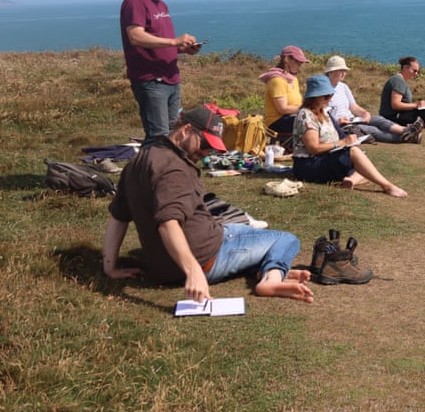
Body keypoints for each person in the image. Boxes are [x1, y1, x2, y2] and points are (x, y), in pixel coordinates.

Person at [101, 105, 314, 304]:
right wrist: (193, 272)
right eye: (204, 144)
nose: (205, 153)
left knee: (240, 231)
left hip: (164, 269)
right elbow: (168, 223)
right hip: (207, 258)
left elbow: (119, 216)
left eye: (210, 149)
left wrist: (110, 268)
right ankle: (271, 278)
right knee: (286, 239)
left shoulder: (139, 161)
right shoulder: (174, 170)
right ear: (185, 131)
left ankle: (265, 268)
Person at [119, 0, 202, 141]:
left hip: (171, 77)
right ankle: (149, 168)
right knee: (158, 135)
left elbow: (158, 42)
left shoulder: (161, 5)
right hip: (151, 79)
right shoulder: (135, 1)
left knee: (172, 132)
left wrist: (182, 49)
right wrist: (174, 42)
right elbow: (136, 37)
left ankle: (163, 167)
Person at [291, 74, 408, 196]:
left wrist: (349, 141)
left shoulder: (324, 112)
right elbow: (313, 148)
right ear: (315, 97)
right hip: (308, 164)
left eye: (330, 96)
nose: (330, 100)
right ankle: (387, 186)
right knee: (358, 158)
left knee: (365, 166)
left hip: (325, 158)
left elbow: (340, 135)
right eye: (326, 97)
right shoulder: (306, 115)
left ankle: (350, 181)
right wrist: (342, 143)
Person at [324, 55, 423, 144]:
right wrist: (337, 121)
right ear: (331, 71)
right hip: (341, 126)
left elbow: (353, 107)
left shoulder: (343, 86)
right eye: (341, 70)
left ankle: (406, 130)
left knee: (379, 120)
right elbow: (320, 115)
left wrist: (364, 113)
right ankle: (407, 137)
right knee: (372, 130)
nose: (344, 73)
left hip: (352, 120)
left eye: (344, 70)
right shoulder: (323, 90)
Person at [260, 45, 308, 141]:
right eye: (298, 62)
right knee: (311, 121)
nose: (300, 65)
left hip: (291, 117)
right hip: (276, 121)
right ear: (287, 59)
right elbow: (283, 109)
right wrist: (306, 108)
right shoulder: (277, 80)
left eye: (301, 63)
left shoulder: (293, 80)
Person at [380, 56, 425, 128]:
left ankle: (424, 121)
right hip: (393, 116)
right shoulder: (398, 81)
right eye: (414, 71)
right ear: (405, 68)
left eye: (418, 71)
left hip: (397, 114)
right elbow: (395, 105)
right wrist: (416, 105)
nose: (416, 74)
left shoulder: (400, 80)